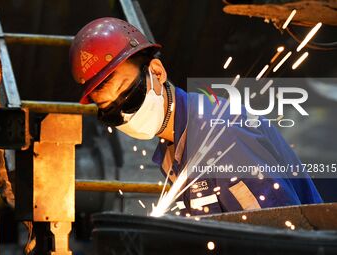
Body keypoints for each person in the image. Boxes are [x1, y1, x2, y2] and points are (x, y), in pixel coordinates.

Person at [70, 17, 322, 216]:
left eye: (130, 96)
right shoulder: (174, 149)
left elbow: (279, 234)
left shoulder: (221, 136)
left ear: (157, 73)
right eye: (112, 113)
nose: (126, 114)